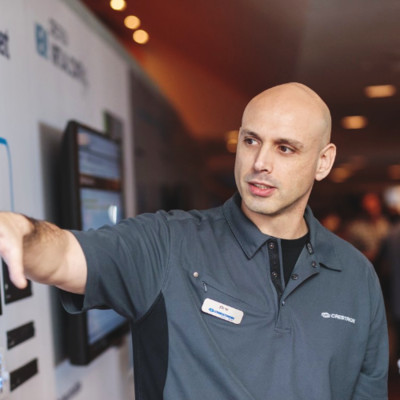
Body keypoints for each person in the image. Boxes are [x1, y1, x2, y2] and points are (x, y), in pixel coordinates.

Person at [0, 83, 388, 400]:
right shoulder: (169, 243)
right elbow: (67, 256)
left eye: (284, 148)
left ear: (323, 161)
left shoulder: (356, 276)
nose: (260, 163)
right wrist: (20, 230)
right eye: (251, 141)